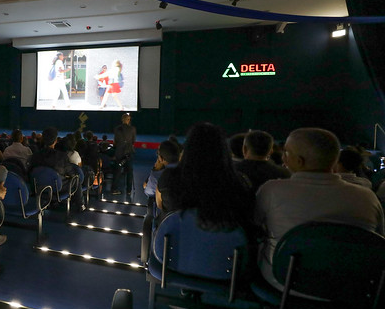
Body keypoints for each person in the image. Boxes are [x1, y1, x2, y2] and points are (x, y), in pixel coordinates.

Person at [255, 128, 384, 294]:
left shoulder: (271, 190)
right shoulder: (367, 197)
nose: (283, 157)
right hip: (349, 288)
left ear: (299, 161)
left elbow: (256, 228)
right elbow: (378, 241)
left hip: (283, 283)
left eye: (286, 152)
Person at [156, 122, 254, 231]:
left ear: (188, 147)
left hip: (175, 242)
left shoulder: (170, 176)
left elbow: (159, 204)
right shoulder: (238, 183)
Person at [29, 126, 85, 212]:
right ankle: (81, 205)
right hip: (58, 188)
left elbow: (31, 171)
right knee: (76, 179)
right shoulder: (61, 156)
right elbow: (72, 173)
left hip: (39, 187)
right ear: (55, 141)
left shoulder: (35, 156)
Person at [111, 113, 136, 197]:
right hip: (128, 152)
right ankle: (129, 190)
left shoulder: (117, 129)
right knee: (129, 172)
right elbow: (133, 141)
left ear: (122, 119)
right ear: (128, 120)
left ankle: (114, 189)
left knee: (117, 171)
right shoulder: (132, 129)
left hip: (119, 152)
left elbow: (115, 141)